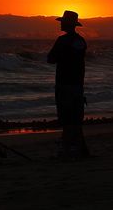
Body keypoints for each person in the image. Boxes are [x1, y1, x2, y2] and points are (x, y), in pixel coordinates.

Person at [47, 10, 90, 160]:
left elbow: (50, 58)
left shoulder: (62, 40)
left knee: (66, 119)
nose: (61, 24)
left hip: (64, 83)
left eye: (63, 22)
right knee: (76, 118)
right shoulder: (81, 41)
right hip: (78, 84)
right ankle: (79, 149)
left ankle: (67, 151)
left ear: (67, 24)